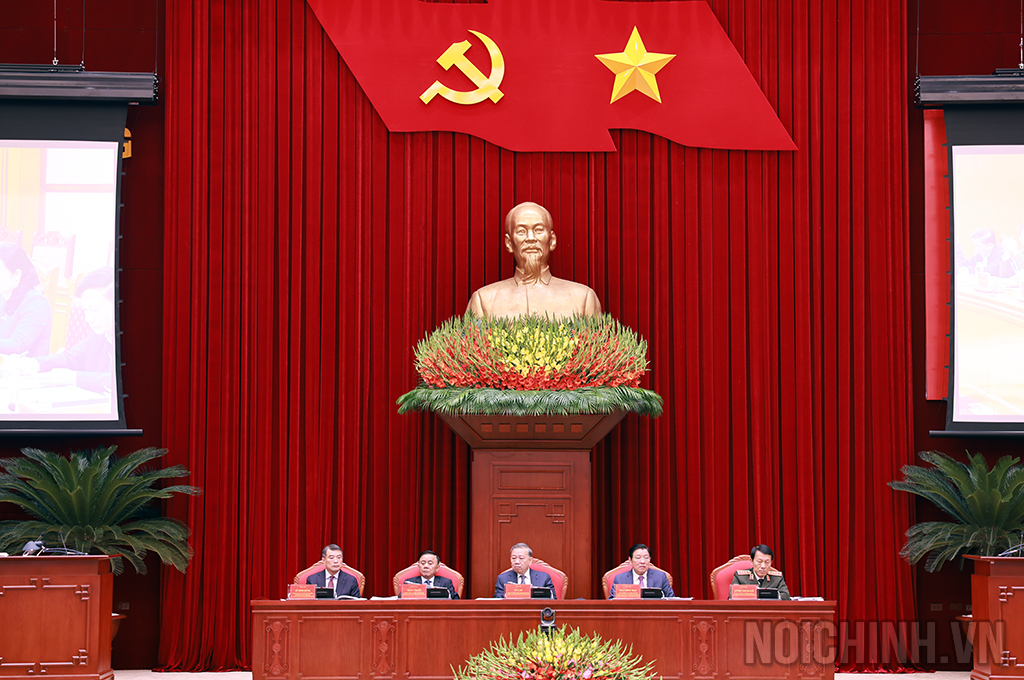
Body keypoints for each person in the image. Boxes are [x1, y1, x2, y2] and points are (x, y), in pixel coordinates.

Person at [466, 202, 602, 320]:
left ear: (552, 240)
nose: (530, 238)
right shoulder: (484, 300)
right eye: (521, 231)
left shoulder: (583, 298)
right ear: (509, 243)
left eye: (538, 230)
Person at [14, 267, 114, 393]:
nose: (88, 319)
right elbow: (71, 358)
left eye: (95, 310)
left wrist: (73, 378)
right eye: (85, 310)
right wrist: (35, 363)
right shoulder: (99, 334)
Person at [0, 242, 52, 358]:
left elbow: (18, 345)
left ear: (17, 275)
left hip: (22, 368)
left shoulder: (37, 303)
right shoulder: (3, 296)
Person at [610, 543, 675, 598]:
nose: (642, 561)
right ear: (630, 560)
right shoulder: (620, 579)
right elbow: (612, 601)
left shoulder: (660, 577)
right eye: (638, 558)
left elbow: (671, 599)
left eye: (646, 558)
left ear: (650, 559)